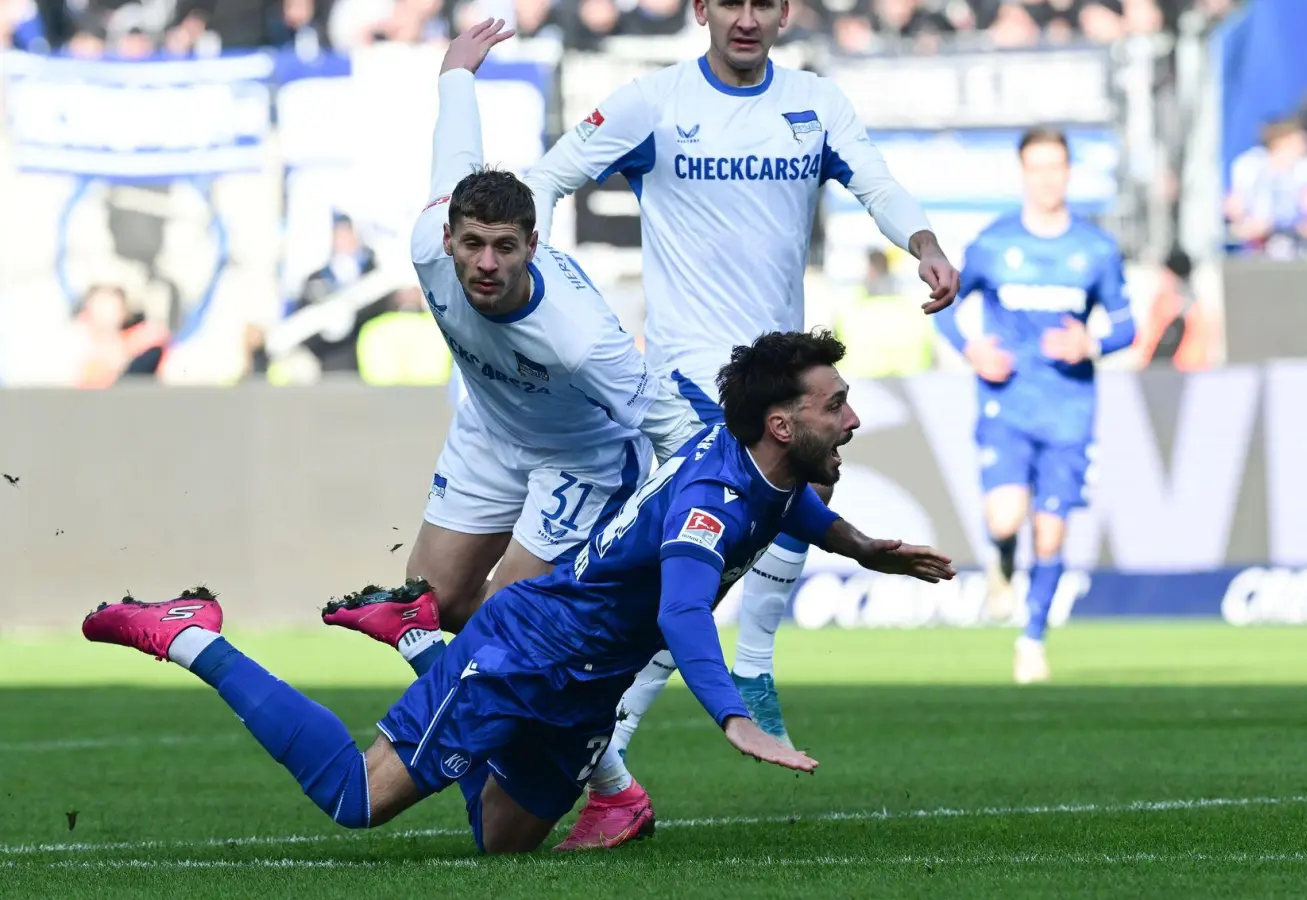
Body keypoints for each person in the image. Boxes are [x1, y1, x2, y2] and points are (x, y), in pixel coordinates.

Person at [81, 329, 957, 854]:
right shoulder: (709, 508)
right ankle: (191, 634)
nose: (851, 417)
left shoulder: (757, 470)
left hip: (584, 686)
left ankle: (419, 639)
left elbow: (788, 505)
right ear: (783, 423)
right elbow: (681, 611)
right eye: (836, 403)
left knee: (502, 844)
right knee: (356, 798)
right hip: (524, 649)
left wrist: (864, 549)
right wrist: (734, 718)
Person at [521, 0, 961, 847]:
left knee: (714, 561)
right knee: (701, 569)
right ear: (701, 10)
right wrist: (532, 283)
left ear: (786, 11)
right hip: (690, 380)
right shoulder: (653, 102)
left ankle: (623, 755)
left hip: (778, 372)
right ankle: (683, 712)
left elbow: (876, 179)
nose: (747, 17)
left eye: (765, 2)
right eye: (731, 1)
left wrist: (925, 242)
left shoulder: (815, 104)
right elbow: (546, 180)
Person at [324, 21, 704, 681]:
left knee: (508, 624)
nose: (487, 263)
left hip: (579, 458)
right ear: (447, 240)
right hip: (490, 429)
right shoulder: (424, 245)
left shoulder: (579, 337)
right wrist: (457, 74)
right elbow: (456, 150)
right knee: (433, 604)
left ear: (533, 244)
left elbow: (673, 429)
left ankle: (597, 765)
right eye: (472, 244)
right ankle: (560, 683)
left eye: (505, 247)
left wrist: (711, 525)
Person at [933, 127, 1135, 686]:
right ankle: (1000, 561)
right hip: (1007, 403)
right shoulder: (995, 242)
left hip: (1069, 408)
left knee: (1051, 534)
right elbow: (946, 303)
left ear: (1069, 173)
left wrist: (1090, 345)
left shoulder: (1095, 249)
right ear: (1023, 174)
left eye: (1056, 167)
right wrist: (971, 349)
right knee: (1006, 517)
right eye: (1037, 167)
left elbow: (1125, 327)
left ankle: (1033, 640)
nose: (1047, 178)